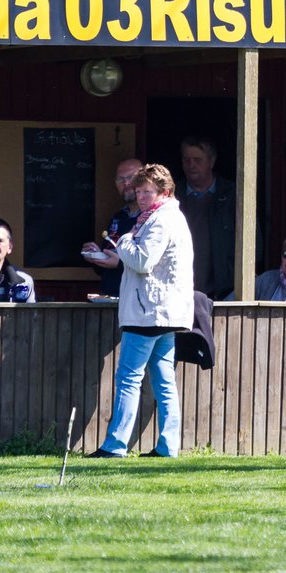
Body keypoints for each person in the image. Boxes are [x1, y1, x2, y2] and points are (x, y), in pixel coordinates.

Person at [91, 164, 193, 459]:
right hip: (162, 311)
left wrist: (123, 240)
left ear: (165, 191)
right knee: (163, 381)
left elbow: (143, 262)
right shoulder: (163, 217)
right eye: (138, 191)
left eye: (147, 191)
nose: (141, 197)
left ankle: (115, 445)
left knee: (128, 378)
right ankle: (167, 446)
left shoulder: (161, 220)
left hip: (149, 310)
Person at [175, 136, 236, 299]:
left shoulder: (233, 195)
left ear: (211, 161)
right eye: (186, 160)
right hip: (179, 290)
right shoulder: (171, 196)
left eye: (197, 160)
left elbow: (254, 247)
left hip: (223, 292)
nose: (191, 165)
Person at [81, 158, 143, 297]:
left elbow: (152, 264)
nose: (126, 183)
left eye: (131, 177)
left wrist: (119, 263)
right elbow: (105, 267)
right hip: (110, 297)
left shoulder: (152, 218)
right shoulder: (118, 217)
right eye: (120, 179)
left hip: (137, 302)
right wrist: (96, 255)